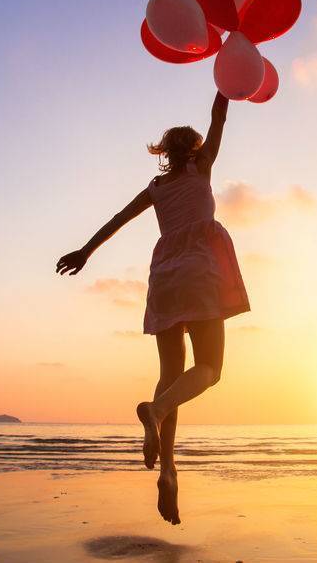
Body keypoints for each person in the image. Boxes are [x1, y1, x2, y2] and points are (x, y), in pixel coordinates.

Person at [56, 91, 249, 524]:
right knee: (210, 369)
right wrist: (224, 80)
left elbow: (118, 219)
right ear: (194, 150)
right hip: (199, 272)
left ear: (166, 153)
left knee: (170, 375)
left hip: (165, 276)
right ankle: (155, 413)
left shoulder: (157, 187)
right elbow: (219, 115)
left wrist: (85, 252)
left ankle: (168, 471)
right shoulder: (202, 169)